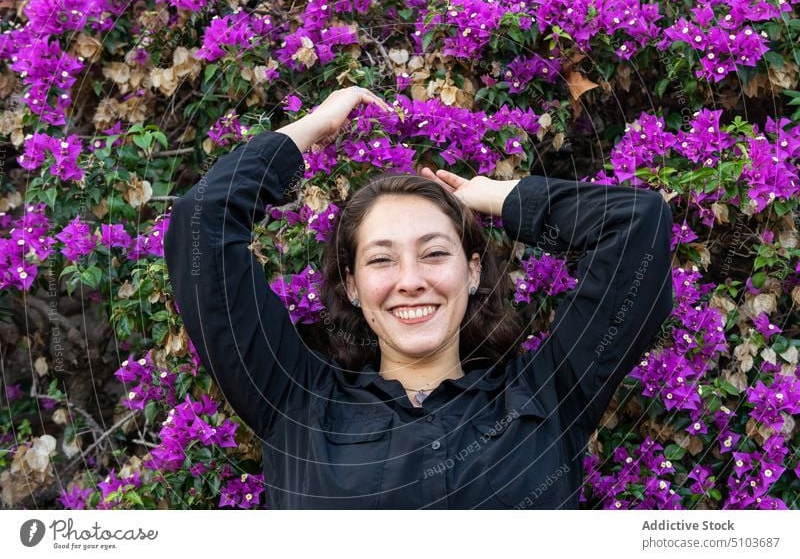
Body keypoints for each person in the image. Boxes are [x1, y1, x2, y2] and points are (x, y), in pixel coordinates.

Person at [163, 86, 674, 509]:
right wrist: (313, 128)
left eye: (433, 253)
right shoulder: (294, 402)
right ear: (353, 286)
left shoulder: (552, 393)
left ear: (472, 271)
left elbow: (638, 228)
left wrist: (491, 197)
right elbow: (201, 220)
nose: (411, 280)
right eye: (381, 259)